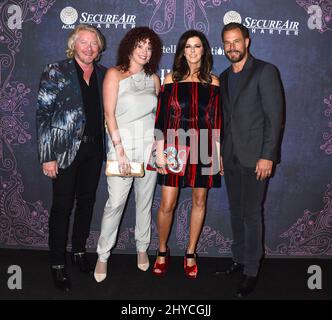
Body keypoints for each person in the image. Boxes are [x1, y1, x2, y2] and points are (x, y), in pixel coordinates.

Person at [36, 24, 106, 292]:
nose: (89, 48)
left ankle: (78, 251)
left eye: (94, 43)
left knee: (87, 203)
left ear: (99, 48)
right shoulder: (56, 71)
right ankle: (57, 263)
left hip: (94, 150)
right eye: (84, 42)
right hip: (63, 151)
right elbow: (43, 115)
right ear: (73, 45)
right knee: (62, 206)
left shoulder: (104, 74)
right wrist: (47, 156)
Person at [215, 22, 284, 297]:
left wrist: (267, 156)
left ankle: (252, 270)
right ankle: (240, 259)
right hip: (231, 157)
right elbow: (224, 121)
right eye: (227, 43)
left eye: (236, 41)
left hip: (256, 158)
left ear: (247, 41)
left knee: (251, 214)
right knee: (236, 211)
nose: (232, 47)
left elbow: (274, 118)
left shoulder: (265, 71)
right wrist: (220, 155)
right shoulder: (222, 76)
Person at [94, 27, 162, 283]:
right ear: (130, 47)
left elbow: (158, 118)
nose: (145, 52)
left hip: (148, 151)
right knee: (116, 204)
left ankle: (142, 249)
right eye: (140, 46)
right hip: (123, 149)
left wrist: (158, 146)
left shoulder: (153, 78)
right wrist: (119, 151)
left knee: (144, 203)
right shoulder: (115, 74)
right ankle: (103, 255)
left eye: (149, 47)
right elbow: (109, 115)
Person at [152, 30, 222, 279]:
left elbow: (216, 121)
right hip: (173, 146)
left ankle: (190, 252)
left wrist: (219, 155)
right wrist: (159, 151)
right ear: (182, 51)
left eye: (197, 46)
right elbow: (161, 118)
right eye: (188, 46)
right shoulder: (170, 80)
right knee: (167, 204)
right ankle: (162, 250)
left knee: (200, 201)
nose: (193, 51)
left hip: (204, 145)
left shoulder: (213, 83)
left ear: (204, 50)